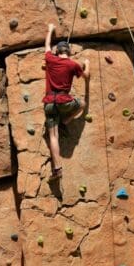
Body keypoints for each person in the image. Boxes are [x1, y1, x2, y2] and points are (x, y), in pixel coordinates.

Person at [42, 23, 89, 180]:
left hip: (49, 103)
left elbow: (47, 45)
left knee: (53, 136)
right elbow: (86, 76)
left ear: (57, 52)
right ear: (68, 52)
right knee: (82, 104)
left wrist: (50, 30)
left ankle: (57, 169)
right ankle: (67, 120)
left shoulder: (50, 59)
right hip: (64, 101)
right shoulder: (73, 65)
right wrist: (86, 65)